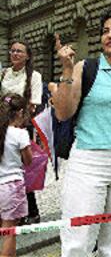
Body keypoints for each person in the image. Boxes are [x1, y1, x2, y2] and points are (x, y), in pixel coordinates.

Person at [52, 5, 111, 256]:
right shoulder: (86, 67)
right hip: (90, 162)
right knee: (78, 241)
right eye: (105, 31)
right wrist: (67, 69)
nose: (109, 35)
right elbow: (63, 112)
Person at [0, 40, 42, 225]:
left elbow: (34, 105)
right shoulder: (3, 74)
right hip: (2, 126)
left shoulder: (34, 76)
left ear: (27, 55)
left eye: (19, 51)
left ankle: (31, 211)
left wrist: (17, 123)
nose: (15, 54)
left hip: (21, 125)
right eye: (13, 51)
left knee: (23, 168)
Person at [0, 94, 32, 257]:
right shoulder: (20, 134)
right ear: (20, 112)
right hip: (11, 185)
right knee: (9, 231)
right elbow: (28, 161)